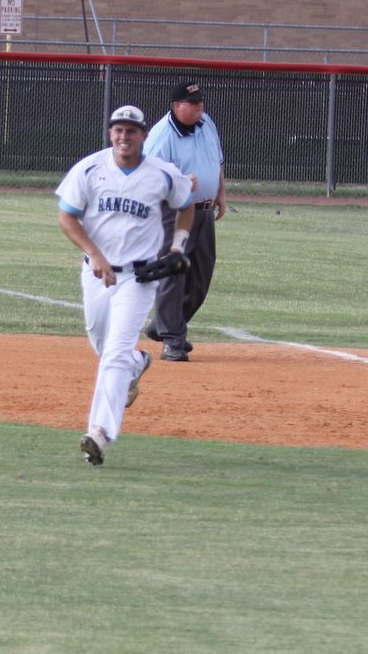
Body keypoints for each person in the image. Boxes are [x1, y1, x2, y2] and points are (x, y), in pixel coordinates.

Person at [57, 104, 196, 465]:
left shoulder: (161, 174)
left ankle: (99, 433)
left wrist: (178, 246)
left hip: (139, 277)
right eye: (118, 130)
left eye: (131, 131)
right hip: (96, 274)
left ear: (143, 136)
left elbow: (187, 204)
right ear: (110, 133)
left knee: (115, 353)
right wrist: (95, 254)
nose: (124, 136)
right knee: (102, 345)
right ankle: (137, 363)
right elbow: (67, 217)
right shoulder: (89, 168)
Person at [143, 80, 227, 362]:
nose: (199, 105)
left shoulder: (207, 123)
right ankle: (172, 340)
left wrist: (220, 193)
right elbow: (148, 179)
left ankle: (164, 324)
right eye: (192, 102)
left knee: (201, 278)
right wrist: (177, 184)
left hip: (203, 211)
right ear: (177, 106)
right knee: (173, 273)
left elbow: (217, 161)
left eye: (200, 100)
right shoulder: (162, 136)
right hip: (173, 212)